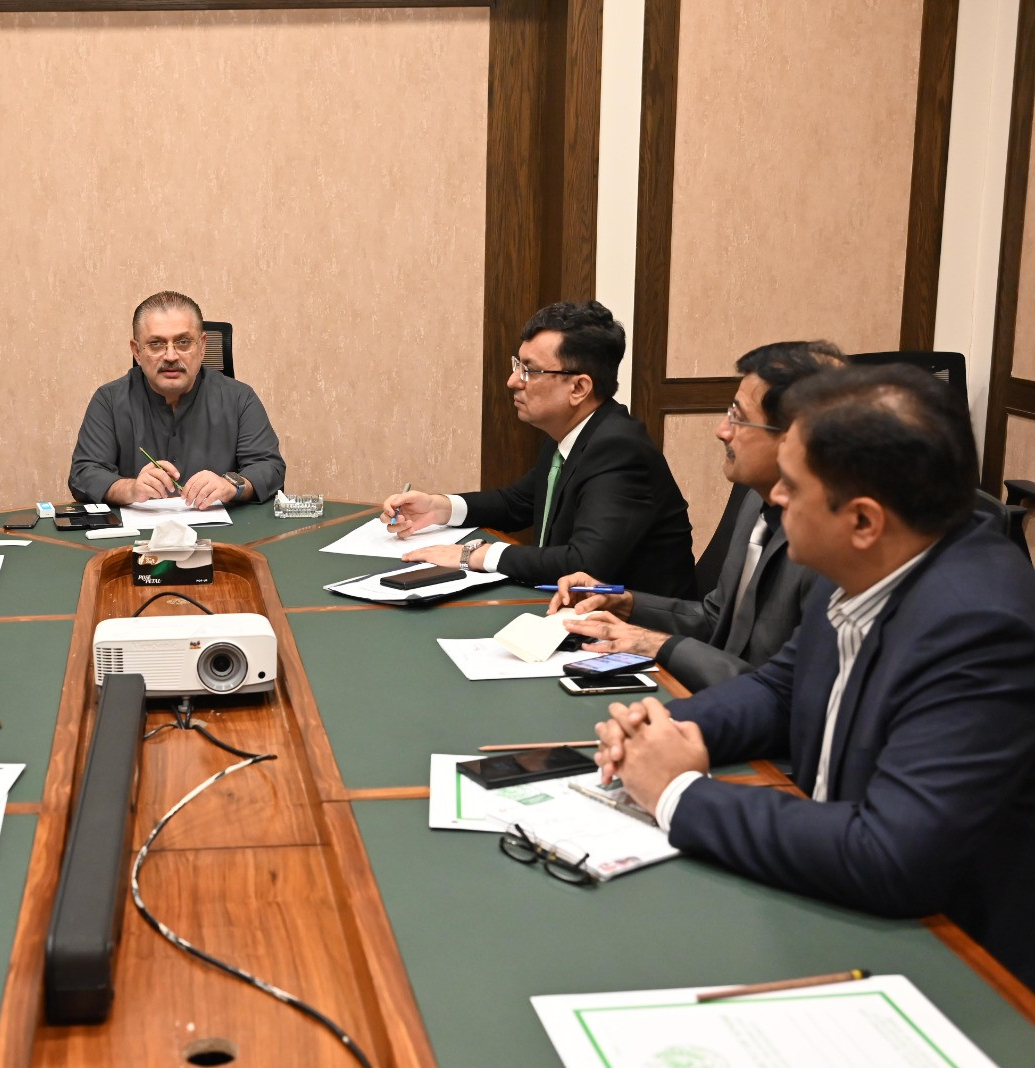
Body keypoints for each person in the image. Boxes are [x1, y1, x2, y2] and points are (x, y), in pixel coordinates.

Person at [593, 364, 1035, 988]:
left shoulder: (979, 624)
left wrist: (677, 792)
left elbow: (891, 855)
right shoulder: (865, 559)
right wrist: (657, 725)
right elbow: (780, 689)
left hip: (960, 966)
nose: (772, 497)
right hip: (833, 897)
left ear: (862, 520)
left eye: (792, 488)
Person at [548, 341, 843, 691]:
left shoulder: (830, 544)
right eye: (729, 411)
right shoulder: (754, 500)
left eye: (740, 418)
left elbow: (783, 691)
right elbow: (720, 619)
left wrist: (654, 643)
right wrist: (626, 604)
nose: (722, 430)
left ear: (796, 438)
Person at [381, 301, 695, 597]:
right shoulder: (571, 433)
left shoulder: (620, 451)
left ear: (578, 388)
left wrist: (475, 554)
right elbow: (516, 502)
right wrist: (439, 508)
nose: (512, 381)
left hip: (638, 636)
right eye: (518, 364)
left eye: (530, 370)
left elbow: (583, 563)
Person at [68, 291, 285, 508]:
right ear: (137, 352)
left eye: (183, 342)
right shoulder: (109, 400)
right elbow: (83, 475)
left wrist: (231, 485)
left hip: (224, 537)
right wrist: (131, 488)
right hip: (137, 538)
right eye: (156, 344)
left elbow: (270, 468)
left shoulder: (240, 398)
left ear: (202, 347)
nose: (171, 356)